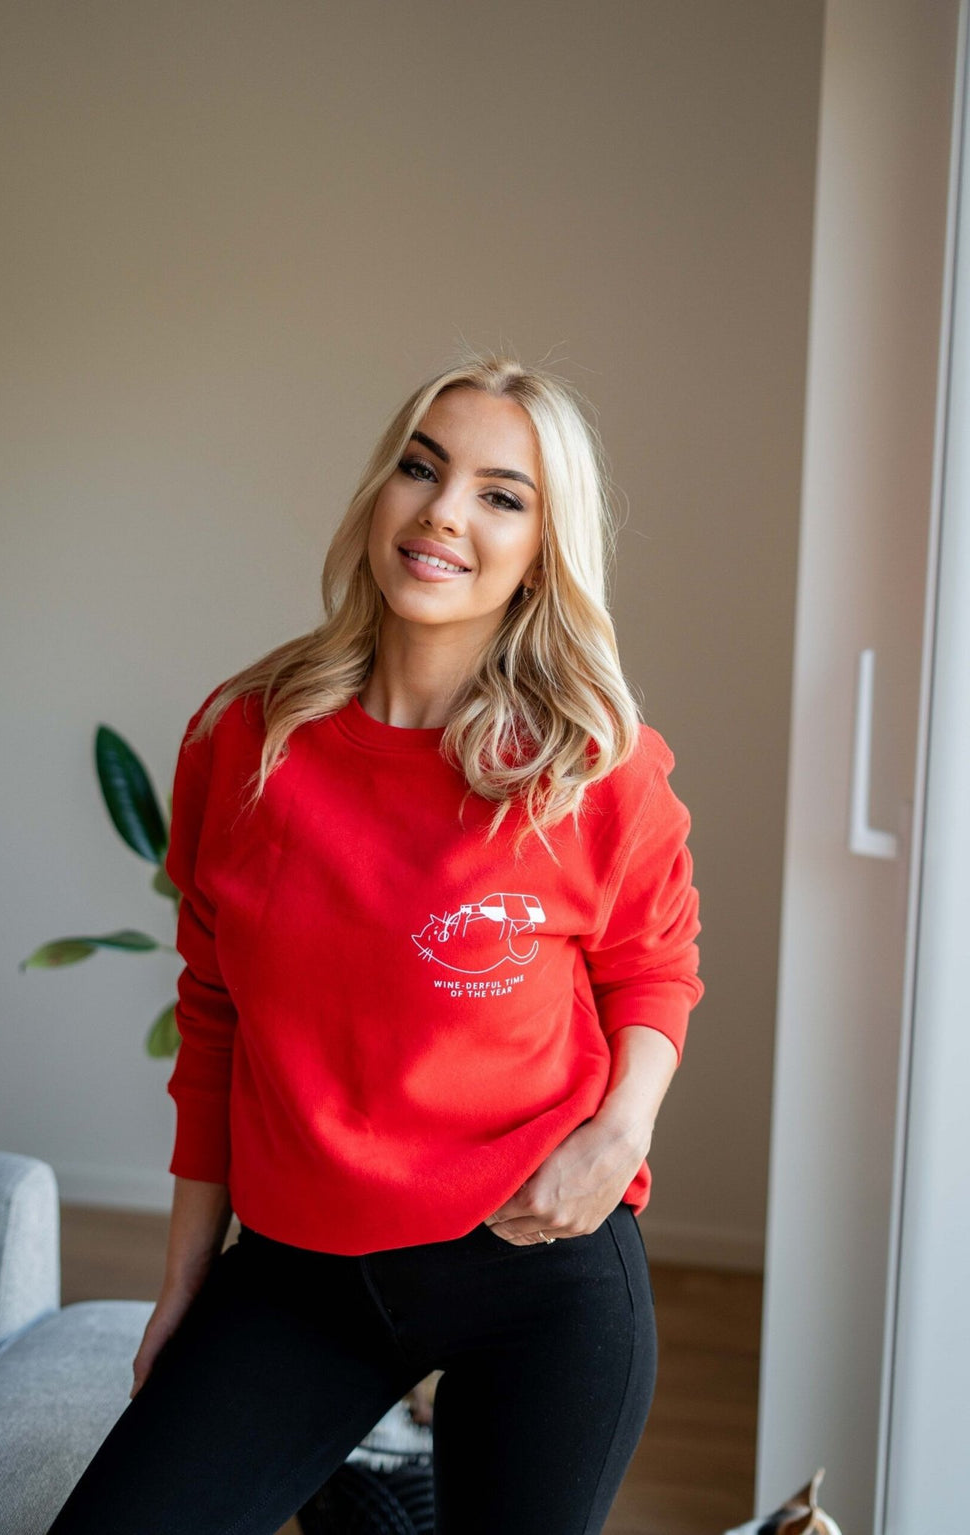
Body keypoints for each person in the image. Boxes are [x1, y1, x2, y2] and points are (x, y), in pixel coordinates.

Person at [46, 350, 704, 1535]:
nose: (445, 511)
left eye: (502, 494)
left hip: (536, 1269)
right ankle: (380, 1510)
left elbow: (653, 962)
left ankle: (377, 1512)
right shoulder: (245, 739)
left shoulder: (589, 762)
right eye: (421, 467)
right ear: (377, 493)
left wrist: (620, 1131)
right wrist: (187, 1276)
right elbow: (212, 1005)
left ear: (542, 550)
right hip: (302, 1273)